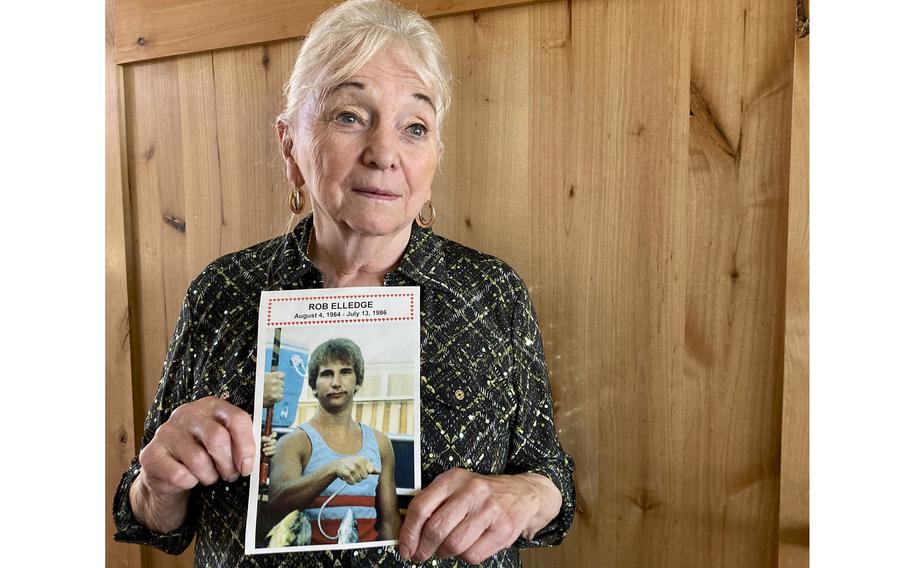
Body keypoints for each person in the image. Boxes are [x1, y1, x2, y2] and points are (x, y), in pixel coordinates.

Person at [112, 1, 576, 566]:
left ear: (435, 157)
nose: (384, 154)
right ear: (290, 145)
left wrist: (527, 496)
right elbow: (153, 521)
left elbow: (552, 478)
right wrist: (158, 485)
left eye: (414, 126)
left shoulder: (490, 293)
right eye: (350, 116)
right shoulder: (223, 292)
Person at [264, 338, 400, 545]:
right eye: (326, 374)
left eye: (345, 372)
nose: (336, 382)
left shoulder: (381, 443)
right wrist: (332, 469)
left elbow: (389, 523)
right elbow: (276, 506)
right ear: (314, 386)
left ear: (358, 382)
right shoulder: (294, 442)